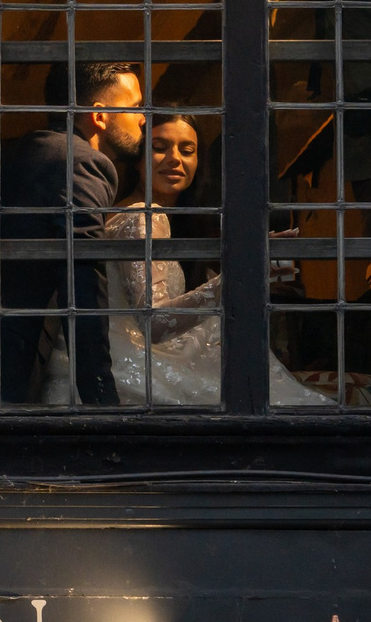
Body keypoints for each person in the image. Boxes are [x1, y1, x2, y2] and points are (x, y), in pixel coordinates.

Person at [96, 115, 331, 406]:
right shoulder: (143, 216)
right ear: (137, 159)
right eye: (159, 147)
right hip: (136, 370)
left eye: (187, 150)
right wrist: (239, 274)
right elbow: (153, 321)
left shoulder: (158, 218)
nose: (174, 158)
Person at [0, 61, 139, 405]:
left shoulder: (27, 151)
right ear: (100, 116)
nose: (144, 119)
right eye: (136, 107)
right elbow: (83, 279)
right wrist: (100, 397)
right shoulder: (82, 163)